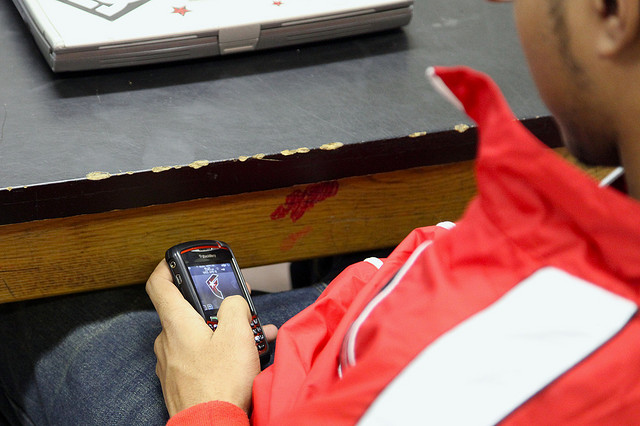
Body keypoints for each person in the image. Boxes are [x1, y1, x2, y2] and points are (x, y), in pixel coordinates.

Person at [2, 0, 640, 423]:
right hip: (357, 327)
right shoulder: (611, 207)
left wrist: (208, 400)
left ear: (613, 14)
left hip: (266, 399)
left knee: (46, 328)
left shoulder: (576, 354)